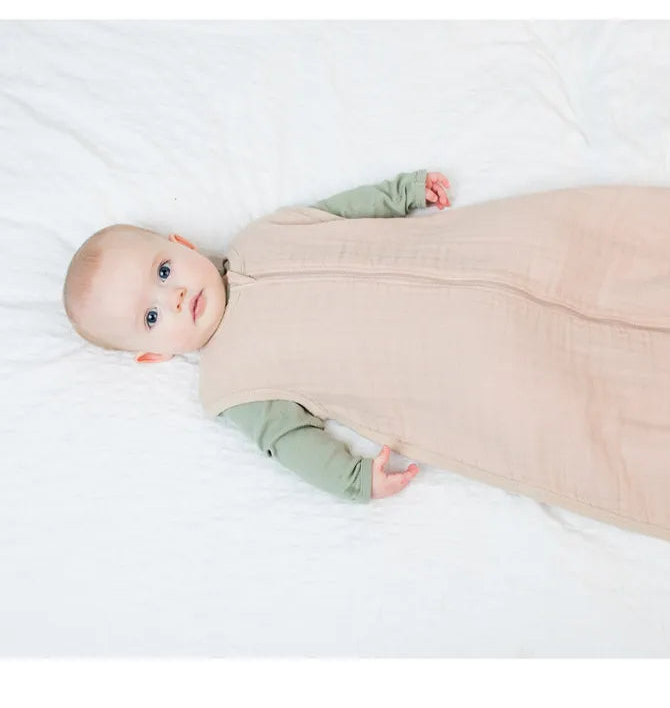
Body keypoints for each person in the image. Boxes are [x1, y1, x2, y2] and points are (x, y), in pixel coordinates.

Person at [61, 169, 452, 503]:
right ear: (155, 354)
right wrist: (354, 479)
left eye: (164, 272)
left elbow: (334, 215)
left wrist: (400, 193)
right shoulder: (230, 383)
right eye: (151, 317)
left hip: (427, 269)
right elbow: (290, 440)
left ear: (183, 246)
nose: (174, 297)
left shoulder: (259, 240)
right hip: (412, 360)